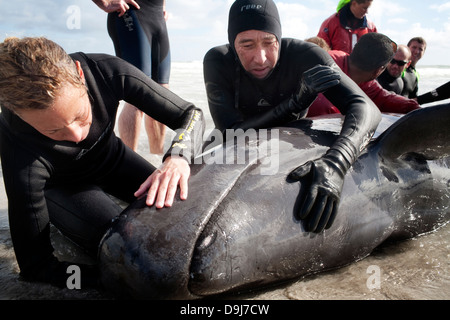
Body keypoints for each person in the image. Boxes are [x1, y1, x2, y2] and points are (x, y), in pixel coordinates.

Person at [0, 37, 204, 288]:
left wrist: (177, 157)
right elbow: (36, 266)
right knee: (134, 252)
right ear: (17, 113)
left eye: (80, 115)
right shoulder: (17, 147)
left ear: (79, 72)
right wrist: (112, 279)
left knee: (188, 213)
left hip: (114, 160)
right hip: (64, 188)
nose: (76, 136)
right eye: (54, 131)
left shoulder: (105, 71)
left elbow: (190, 113)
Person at [203, 0, 381, 234]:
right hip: (236, 146)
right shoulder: (218, 60)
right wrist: (294, 103)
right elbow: (230, 132)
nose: (261, 58)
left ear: (279, 38)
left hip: (289, 145)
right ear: (232, 43)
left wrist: (337, 163)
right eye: (247, 45)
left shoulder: (305, 56)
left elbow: (365, 108)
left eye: (269, 43)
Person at [93, 0, 171, 154]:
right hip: (130, 13)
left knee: (161, 94)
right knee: (137, 95)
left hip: (157, 16)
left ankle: (155, 159)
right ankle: (129, 164)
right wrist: (105, 3)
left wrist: (162, 7)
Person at [307, 34, 420, 117]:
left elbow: (382, 98)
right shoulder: (323, 102)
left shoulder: (345, 60)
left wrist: (414, 108)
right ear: (379, 70)